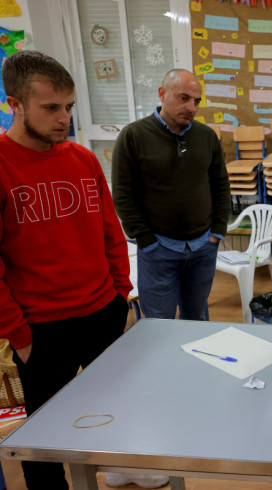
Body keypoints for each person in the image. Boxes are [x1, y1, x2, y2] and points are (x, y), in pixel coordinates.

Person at [0, 50, 165, 489]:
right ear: (14, 104)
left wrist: (120, 293)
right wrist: (20, 334)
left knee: (114, 405)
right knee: (42, 436)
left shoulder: (82, 159)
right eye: (50, 108)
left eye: (69, 107)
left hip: (102, 311)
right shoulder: (2, 164)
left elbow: (111, 231)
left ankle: (123, 469)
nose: (64, 118)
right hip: (41, 327)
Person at [112, 68, 231, 321]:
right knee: (159, 322)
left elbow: (220, 185)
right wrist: (145, 238)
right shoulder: (133, 136)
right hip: (158, 248)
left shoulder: (207, 136)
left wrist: (217, 231)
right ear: (162, 94)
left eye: (196, 101)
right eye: (184, 98)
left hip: (203, 247)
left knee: (195, 318)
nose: (192, 107)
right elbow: (123, 194)